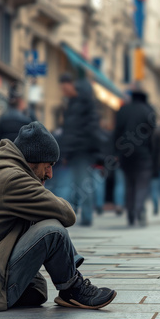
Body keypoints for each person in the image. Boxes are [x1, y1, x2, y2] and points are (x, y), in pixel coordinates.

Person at [0, 121, 116, 312]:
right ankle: (73, 290)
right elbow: (67, 214)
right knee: (53, 229)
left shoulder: (1, 170)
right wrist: (39, 189)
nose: (50, 173)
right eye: (48, 165)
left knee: (38, 287)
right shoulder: (12, 179)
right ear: (31, 161)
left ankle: (70, 278)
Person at [59, 73, 102, 226]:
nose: (64, 91)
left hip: (81, 150)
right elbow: (69, 131)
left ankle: (86, 216)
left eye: (65, 88)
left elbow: (79, 130)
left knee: (81, 183)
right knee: (81, 183)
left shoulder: (82, 104)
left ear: (72, 85)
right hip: (76, 150)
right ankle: (84, 215)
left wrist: (69, 149)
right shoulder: (73, 104)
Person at [114, 88, 156, 226]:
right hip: (143, 154)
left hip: (125, 153)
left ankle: (130, 213)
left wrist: (115, 152)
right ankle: (139, 210)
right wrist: (153, 154)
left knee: (129, 184)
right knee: (142, 184)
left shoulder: (123, 110)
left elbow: (116, 133)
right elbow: (152, 137)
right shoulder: (148, 111)